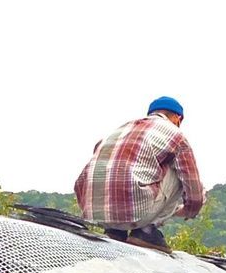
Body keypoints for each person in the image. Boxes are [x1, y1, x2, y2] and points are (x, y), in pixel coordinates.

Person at [75, 96, 205, 246]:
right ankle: (146, 232)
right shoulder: (175, 135)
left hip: (95, 213)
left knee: (119, 166)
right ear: (178, 119)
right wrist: (189, 210)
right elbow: (194, 192)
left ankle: (116, 232)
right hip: (135, 214)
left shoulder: (121, 129)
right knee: (182, 170)